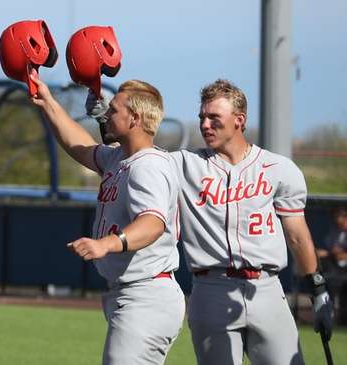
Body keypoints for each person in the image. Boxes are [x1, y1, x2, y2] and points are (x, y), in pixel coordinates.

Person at [169, 79, 333, 364]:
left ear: (239, 120)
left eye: (214, 118)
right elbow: (135, 157)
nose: (205, 124)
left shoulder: (278, 168)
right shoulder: (184, 164)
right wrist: (104, 122)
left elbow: (297, 235)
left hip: (267, 289)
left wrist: (317, 290)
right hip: (211, 288)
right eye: (202, 118)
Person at [31, 75, 184, 365]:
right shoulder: (120, 159)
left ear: (135, 118)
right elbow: (82, 147)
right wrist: (48, 102)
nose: (106, 113)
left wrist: (108, 244)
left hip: (146, 295)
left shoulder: (148, 165)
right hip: (135, 294)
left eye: (114, 109)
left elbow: (153, 222)